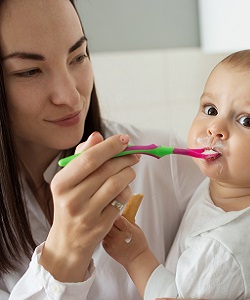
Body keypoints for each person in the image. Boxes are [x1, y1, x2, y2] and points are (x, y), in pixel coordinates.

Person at [0, 0, 205, 299]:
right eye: (31, 71)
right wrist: (65, 253)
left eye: (78, 56)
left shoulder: (167, 165)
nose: (71, 97)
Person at [103, 49, 250, 299]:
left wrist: (135, 256)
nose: (215, 128)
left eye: (247, 121)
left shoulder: (223, 249)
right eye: (210, 109)